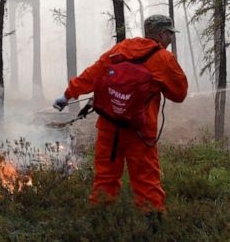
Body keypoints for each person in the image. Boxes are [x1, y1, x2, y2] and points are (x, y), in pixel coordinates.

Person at [52, 14, 188, 212]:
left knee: (105, 178)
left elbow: (94, 72)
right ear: (161, 34)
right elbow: (179, 93)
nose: (170, 39)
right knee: (146, 181)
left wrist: (67, 95)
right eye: (169, 34)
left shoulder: (121, 48)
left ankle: (102, 222)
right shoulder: (164, 58)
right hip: (140, 130)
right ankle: (152, 227)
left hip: (109, 126)